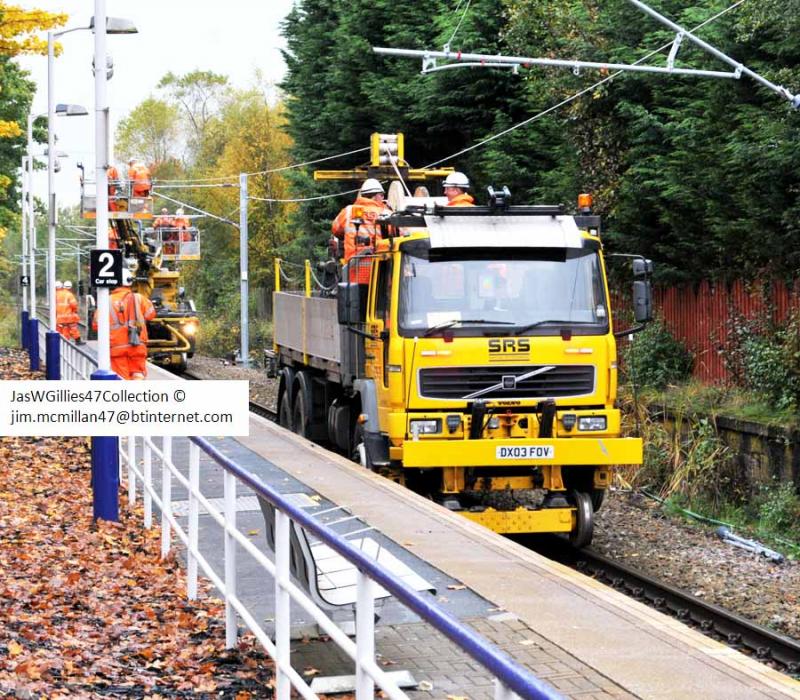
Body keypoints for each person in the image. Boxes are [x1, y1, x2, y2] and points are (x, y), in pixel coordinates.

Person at [92, 268, 156, 380]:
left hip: (117, 348)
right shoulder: (140, 298)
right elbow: (151, 314)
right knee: (138, 376)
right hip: (137, 345)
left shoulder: (106, 301)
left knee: (122, 379)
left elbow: (96, 325)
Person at [331, 178, 391, 284]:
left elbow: (335, 229)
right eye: (382, 195)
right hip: (380, 277)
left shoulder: (349, 211)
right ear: (376, 195)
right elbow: (403, 235)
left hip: (353, 274)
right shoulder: (387, 214)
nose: (383, 198)